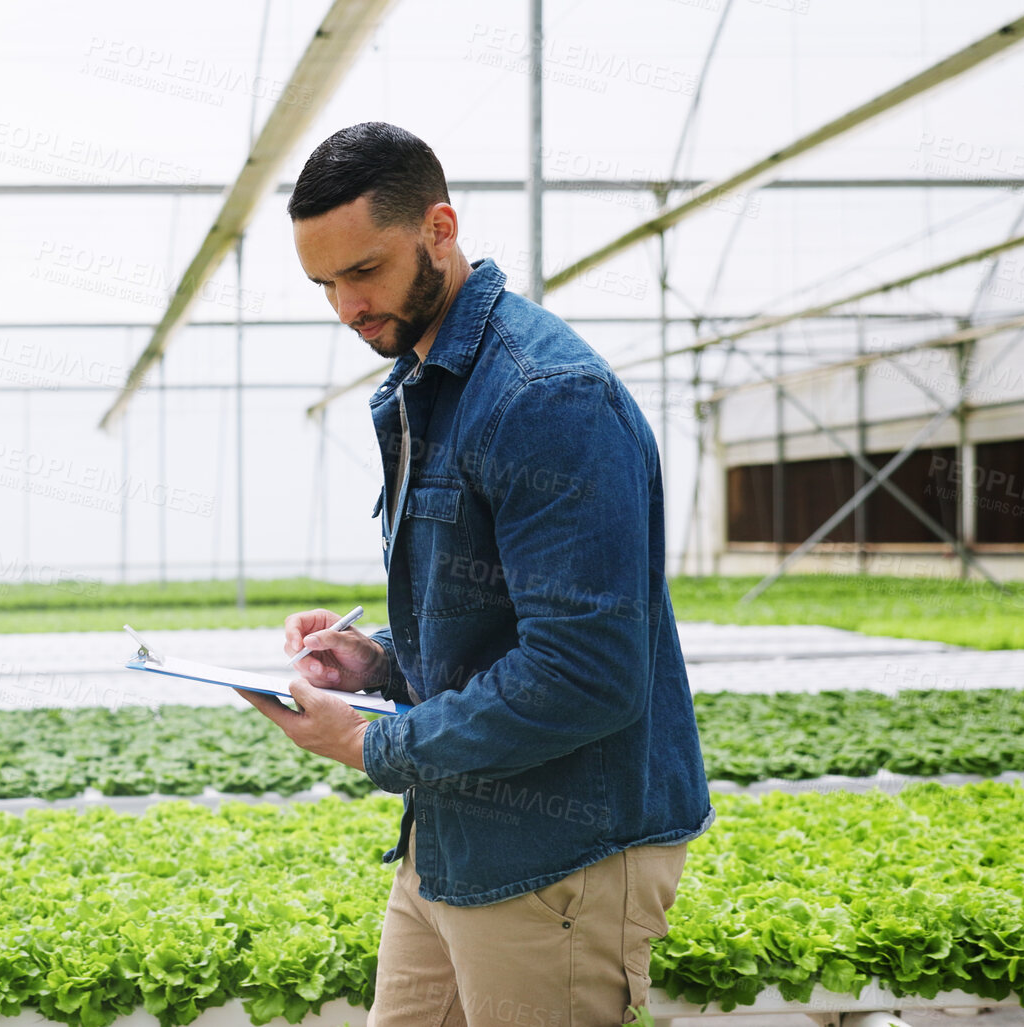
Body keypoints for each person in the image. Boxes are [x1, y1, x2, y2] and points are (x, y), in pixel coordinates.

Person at [236, 122, 714, 1027]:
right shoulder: (428, 382)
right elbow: (490, 612)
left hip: (558, 854)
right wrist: (374, 662)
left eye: (364, 271)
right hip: (452, 831)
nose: (345, 307)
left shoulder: (543, 396)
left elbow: (584, 672)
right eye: (323, 284)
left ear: (439, 229)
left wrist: (369, 742)